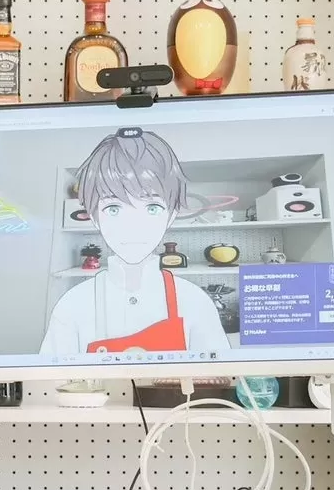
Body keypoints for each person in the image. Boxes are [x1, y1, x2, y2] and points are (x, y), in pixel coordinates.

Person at [39, 128, 226, 358]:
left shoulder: (194, 301)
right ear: (94, 218)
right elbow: (51, 377)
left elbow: (218, 373)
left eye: (152, 208)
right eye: (114, 209)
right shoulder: (73, 305)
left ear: (171, 216)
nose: (133, 226)